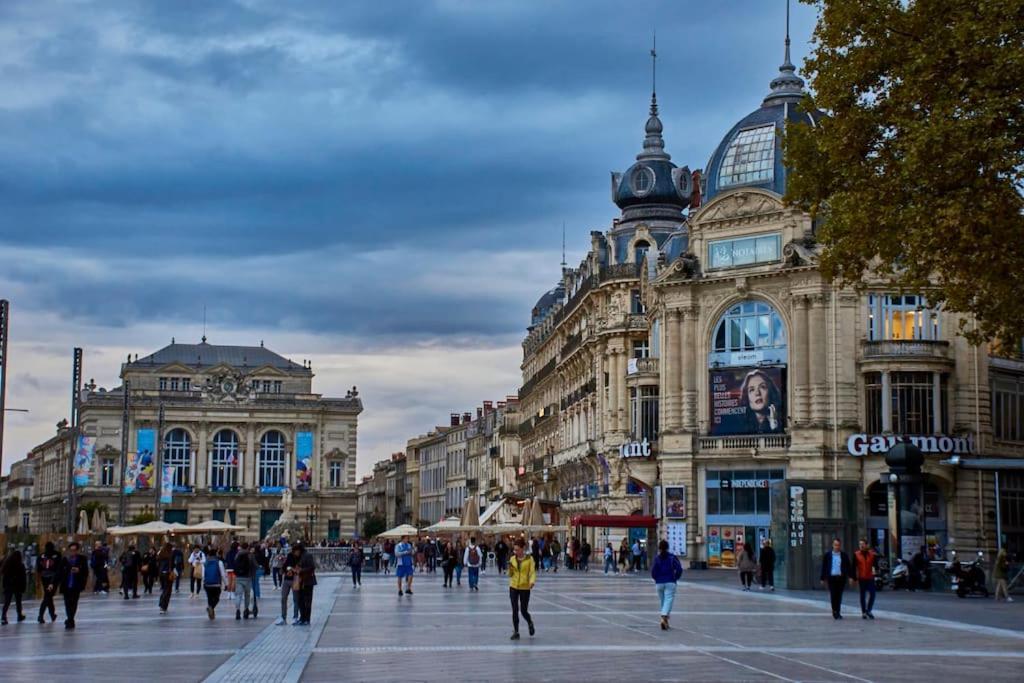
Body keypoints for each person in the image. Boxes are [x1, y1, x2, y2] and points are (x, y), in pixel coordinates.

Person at [651, 540, 684, 630]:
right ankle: (664, 616)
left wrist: (656, 579)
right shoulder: (672, 557)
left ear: (659, 548)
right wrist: (675, 578)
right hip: (670, 581)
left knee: (663, 601)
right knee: (668, 600)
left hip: (659, 583)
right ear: (668, 547)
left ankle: (665, 621)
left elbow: (653, 571)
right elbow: (679, 569)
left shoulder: (657, 558)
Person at [820, 538, 855, 619]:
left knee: (839, 595)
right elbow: (824, 567)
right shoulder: (828, 555)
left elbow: (848, 567)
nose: (837, 547)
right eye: (835, 545)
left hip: (840, 578)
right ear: (833, 545)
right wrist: (822, 578)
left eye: (838, 545)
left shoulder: (844, 555)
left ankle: (838, 611)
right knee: (833, 595)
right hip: (831, 578)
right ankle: (834, 611)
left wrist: (851, 577)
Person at [739, 369, 784, 434]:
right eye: (751, 390)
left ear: (770, 392)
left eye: (762, 387)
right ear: (746, 397)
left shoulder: (783, 418)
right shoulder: (738, 424)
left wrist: (774, 424)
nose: (757, 393)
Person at [508, 538, 536, 640]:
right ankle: (516, 631)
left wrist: (532, 582)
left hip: (525, 587)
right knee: (515, 609)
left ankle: (530, 622)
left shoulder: (529, 559)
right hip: (514, 586)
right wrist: (509, 569)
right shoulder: (512, 559)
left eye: (518, 549)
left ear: (523, 548)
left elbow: (532, 572)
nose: (516, 552)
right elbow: (510, 574)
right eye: (514, 550)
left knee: (524, 610)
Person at [61, 541, 89, 630]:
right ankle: (70, 619)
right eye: (71, 550)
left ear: (77, 550)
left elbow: (86, 571)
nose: (72, 552)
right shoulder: (65, 559)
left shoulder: (82, 559)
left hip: (76, 585)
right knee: (67, 603)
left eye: (74, 550)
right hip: (66, 584)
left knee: (73, 603)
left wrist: (79, 570)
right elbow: (60, 571)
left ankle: (70, 619)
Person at [36, 541, 62, 622]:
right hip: (53, 578)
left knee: (48, 596)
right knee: (48, 596)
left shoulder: (41, 556)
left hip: (44, 577)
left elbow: (38, 569)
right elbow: (59, 568)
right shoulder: (57, 555)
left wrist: (38, 580)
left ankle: (52, 614)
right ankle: (41, 615)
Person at [277, 544, 301, 625]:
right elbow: (285, 565)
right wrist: (283, 570)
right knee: (283, 598)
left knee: (296, 599)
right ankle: (283, 618)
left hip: (295, 580)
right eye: (296, 551)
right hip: (287, 579)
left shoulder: (300, 558)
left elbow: (299, 569)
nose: (297, 553)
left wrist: (293, 570)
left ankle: (295, 617)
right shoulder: (290, 556)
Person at [854, 539, 879, 618]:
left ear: (866, 545)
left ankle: (869, 610)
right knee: (862, 595)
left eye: (863, 544)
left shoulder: (872, 555)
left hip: (870, 577)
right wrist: (853, 577)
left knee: (872, 594)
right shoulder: (856, 554)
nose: (861, 545)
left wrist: (875, 571)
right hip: (861, 577)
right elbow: (853, 566)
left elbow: (875, 565)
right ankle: (863, 612)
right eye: (860, 544)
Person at [1, 549, 27, 625]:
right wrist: (23, 587)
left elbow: (4, 576)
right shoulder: (21, 565)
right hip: (17, 586)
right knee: (18, 602)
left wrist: (5, 586)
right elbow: (23, 577)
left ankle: (3, 616)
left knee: (7, 602)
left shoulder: (7, 565)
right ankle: (19, 615)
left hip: (8, 586)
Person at [202, 548, 228, 620]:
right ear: (216, 554)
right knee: (216, 598)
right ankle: (211, 608)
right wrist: (226, 584)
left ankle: (211, 614)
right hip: (216, 584)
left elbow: (203, 575)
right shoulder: (219, 562)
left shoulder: (205, 563)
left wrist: (203, 582)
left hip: (207, 584)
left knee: (209, 598)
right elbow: (222, 574)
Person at [296, 543, 317, 625]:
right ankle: (302, 617)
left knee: (307, 600)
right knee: (300, 600)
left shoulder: (307, 555)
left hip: (308, 581)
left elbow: (312, 567)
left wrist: (301, 570)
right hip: (300, 581)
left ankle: (307, 619)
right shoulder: (299, 556)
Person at [233, 542, 255, 620]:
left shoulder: (237, 555)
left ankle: (238, 610)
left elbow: (234, 565)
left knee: (238, 595)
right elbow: (254, 565)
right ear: (247, 547)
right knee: (247, 595)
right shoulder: (250, 555)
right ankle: (246, 610)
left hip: (238, 577)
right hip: (247, 578)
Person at [156, 542, 177, 614]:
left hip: (161, 573)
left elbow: (157, 561)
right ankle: (163, 606)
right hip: (168, 573)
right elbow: (173, 564)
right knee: (168, 590)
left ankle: (162, 605)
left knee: (164, 589)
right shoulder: (170, 554)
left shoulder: (161, 554)